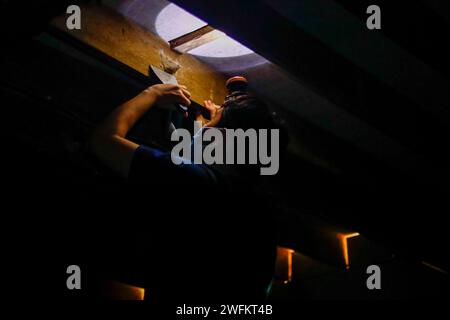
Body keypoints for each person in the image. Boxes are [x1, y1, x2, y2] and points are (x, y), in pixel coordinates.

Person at [89, 83, 278, 302]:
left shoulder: (197, 183)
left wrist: (152, 93)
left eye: (211, 123)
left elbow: (103, 141)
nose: (205, 126)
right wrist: (211, 127)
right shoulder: (259, 210)